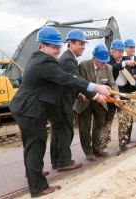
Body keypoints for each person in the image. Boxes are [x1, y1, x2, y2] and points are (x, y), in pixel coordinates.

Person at [9, 26, 110, 198]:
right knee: (35, 146)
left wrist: (80, 92)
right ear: (42, 46)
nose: (58, 49)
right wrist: (95, 87)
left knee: (33, 146)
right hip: (30, 110)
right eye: (54, 46)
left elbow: (60, 81)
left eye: (58, 46)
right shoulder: (45, 61)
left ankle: (34, 174)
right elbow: (67, 78)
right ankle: (38, 188)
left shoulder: (40, 59)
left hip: (27, 108)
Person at [50, 29, 95, 172]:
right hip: (63, 103)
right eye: (80, 44)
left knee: (57, 133)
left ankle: (56, 161)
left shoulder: (66, 58)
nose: (83, 47)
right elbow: (77, 81)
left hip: (58, 101)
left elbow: (68, 82)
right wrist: (95, 94)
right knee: (66, 132)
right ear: (71, 44)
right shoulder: (68, 60)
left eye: (84, 44)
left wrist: (79, 95)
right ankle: (64, 162)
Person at [73, 44, 118, 160]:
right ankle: (88, 152)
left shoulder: (109, 68)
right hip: (85, 101)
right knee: (85, 127)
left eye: (105, 61)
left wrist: (116, 97)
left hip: (100, 101)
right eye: (101, 62)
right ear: (94, 58)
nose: (103, 64)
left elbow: (112, 84)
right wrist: (94, 94)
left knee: (100, 124)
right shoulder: (83, 65)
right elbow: (81, 84)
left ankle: (97, 149)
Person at [106, 39, 136, 152]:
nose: (121, 54)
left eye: (122, 52)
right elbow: (111, 68)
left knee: (125, 117)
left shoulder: (125, 58)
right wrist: (124, 63)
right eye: (118, 52)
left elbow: (135, 66)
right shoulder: (108, 60)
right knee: (108, 118)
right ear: (112, 52)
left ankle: (124, 142)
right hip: (112, 91)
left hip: (124, 91)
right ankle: (104, 142)